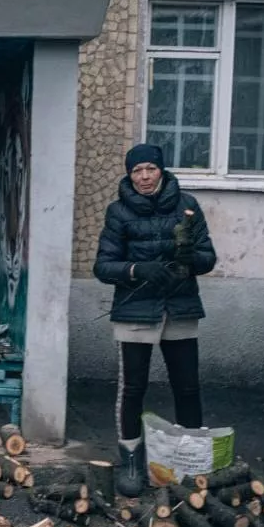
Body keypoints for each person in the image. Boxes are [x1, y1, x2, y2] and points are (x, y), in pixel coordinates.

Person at [92, 143, 217, 497]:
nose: (144, 177)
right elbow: (103, 266)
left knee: (188, 387)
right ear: (129, 175)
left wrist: (189, 260)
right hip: (135, 311)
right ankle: (131, 461)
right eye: (136, 171)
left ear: (161, 170)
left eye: (150, 168)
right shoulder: (118, 212)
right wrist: (137, 269)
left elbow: (209, 258)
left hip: (179, 308)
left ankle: (190, 461)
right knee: (133, 389)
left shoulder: (188, 206)